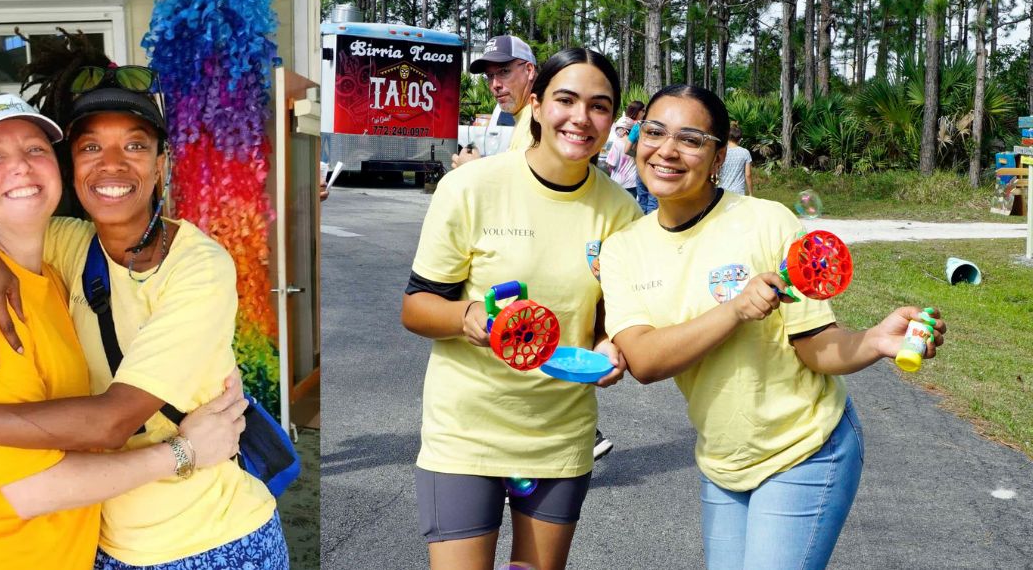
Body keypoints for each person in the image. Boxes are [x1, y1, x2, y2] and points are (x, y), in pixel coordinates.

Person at [0, 37, 288, 568]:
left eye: (137, 145)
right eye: (90, 147)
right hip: (97, 544)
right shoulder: (52, 254)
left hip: (208, 538)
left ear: (162, 164)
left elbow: (110, 423)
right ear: (72, 166)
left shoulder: (196, 265)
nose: (113, 165)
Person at [600, 85, 949, 569]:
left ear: (719, 155)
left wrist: (873, 340)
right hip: (723, 461)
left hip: (804, 447)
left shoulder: (767, 221)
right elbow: (644, 360)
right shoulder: (624, 249)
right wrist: (736, 309)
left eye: (691, 139)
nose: (667, 150)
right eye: (654, 132)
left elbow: (815, 348)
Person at [398, 48, 642, 570]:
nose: (581, 118)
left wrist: (609, 345)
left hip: (560, 437)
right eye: (566, 100)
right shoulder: (472, 186)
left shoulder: (622, 212)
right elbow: (417, 308)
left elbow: (609, 318)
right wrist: (468, 319)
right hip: (466, 432)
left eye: (600, 106)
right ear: (535, 104)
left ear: (612, 119)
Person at [452, 35, 539, 169]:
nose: (495, 84)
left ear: (529, 70)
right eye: (490, 76)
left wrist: (472, 170)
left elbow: (523, 186)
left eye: (504, 71)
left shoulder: (538, 121)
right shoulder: (525, 117)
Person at [717, 122, 754, 196]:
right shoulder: (745, 152)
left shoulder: (721, 152)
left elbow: (716, 171)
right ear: (740, 139)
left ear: (727, 138)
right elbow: (748, 175)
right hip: (738, 192)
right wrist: (751, 193)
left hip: (723, 191)